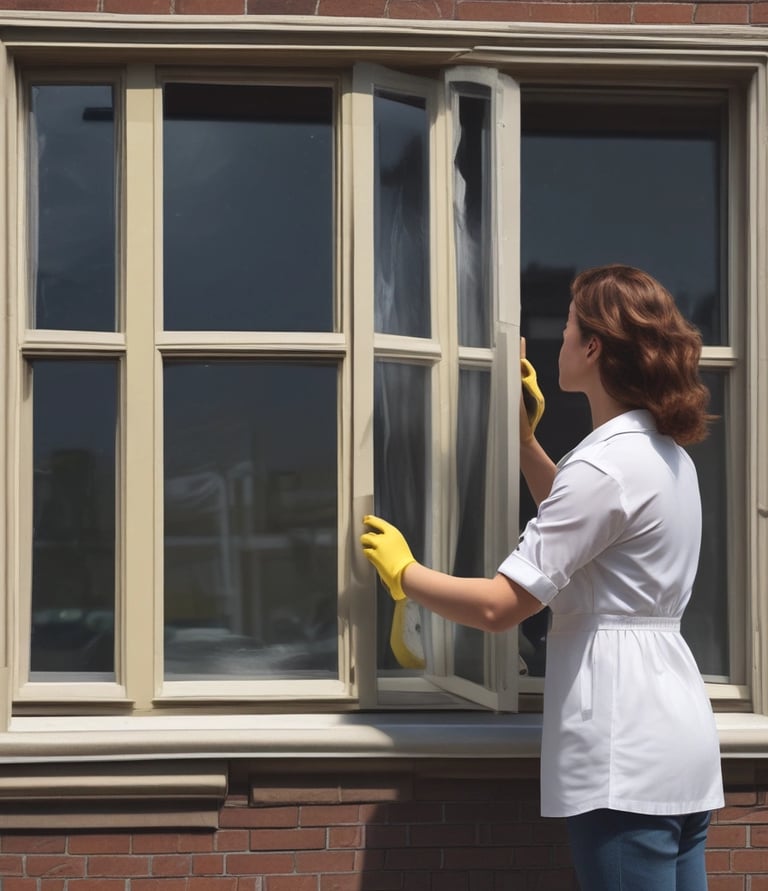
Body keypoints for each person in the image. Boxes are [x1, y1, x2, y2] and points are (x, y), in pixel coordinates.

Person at [361, 264, 724, 891]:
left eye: (566, 328)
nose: (556, 340)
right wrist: (528, 444)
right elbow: (587, 531)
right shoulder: (667, 456)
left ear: (593, 347)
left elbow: (503, 607)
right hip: (679, 742)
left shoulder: (604, 465)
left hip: (624, 753)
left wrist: (406, 575)